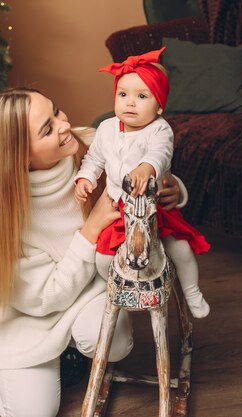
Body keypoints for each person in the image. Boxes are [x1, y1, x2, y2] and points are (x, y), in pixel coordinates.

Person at [0, 87, 185, 417]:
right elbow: (45, 299)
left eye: (56, 111)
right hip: (31, 311)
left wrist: (173, 189)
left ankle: (73, 346)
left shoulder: (93, 144)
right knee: (33, 413)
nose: (64, 124)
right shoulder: (5, 215)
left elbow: (149, 167)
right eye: (47, 128)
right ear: (18, 156)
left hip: (90, 287)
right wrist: (90, 232)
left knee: (115, 344)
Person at [74, 47, 211, 319]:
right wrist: (85, 177)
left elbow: (159, 154)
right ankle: (112, 289)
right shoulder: (106, 128)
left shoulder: (159, 129)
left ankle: (193, 291)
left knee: (180, 249)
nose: (130, 103)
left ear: (159, 105)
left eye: (142, 96)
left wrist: (146, 168)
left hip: (155, 206)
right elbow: (94, 158)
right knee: (103, 257)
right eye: (123, 94)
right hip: (119, 208)